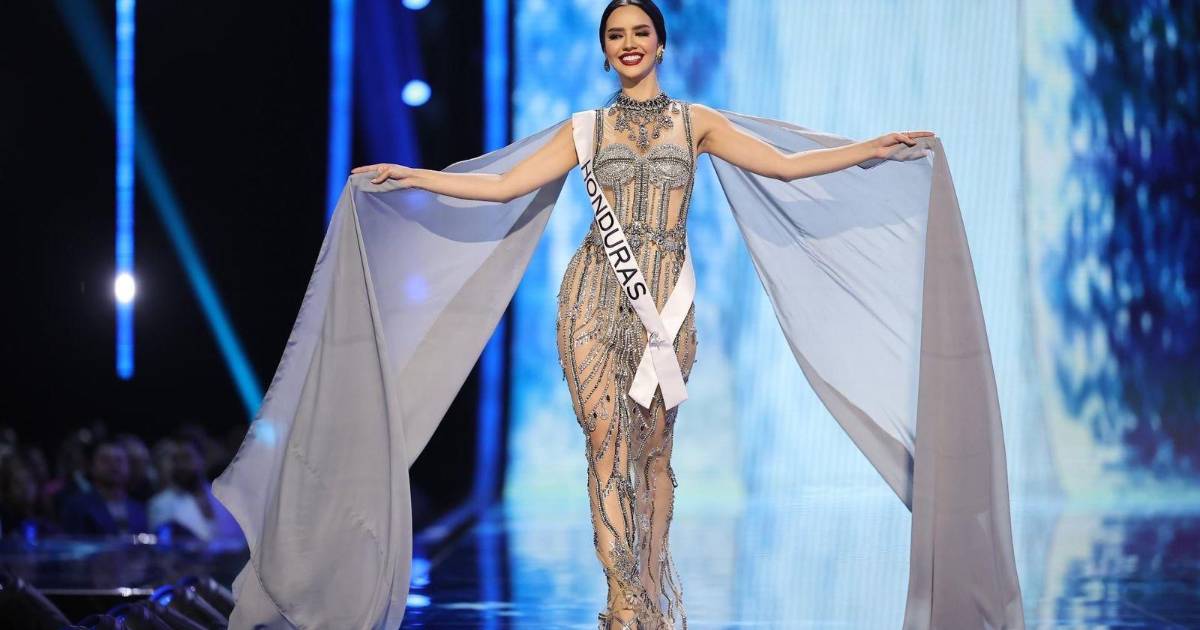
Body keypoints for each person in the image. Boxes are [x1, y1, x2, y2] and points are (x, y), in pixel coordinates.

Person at [214, 0, 1024, 628]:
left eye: (640, 31)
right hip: (594, 302)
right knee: (605, 451)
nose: (629, 43)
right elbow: (503, 186)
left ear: (660, 44)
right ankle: (624, 602)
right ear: (604, 51)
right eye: (615, 35)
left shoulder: (697, 122)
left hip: (666, 307)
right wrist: (414, 175)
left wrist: (873, 148)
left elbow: (783, 167)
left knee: (655, 457)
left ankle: (652, 581)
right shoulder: (585, 128)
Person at [59, 440, 149, 536]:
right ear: (91, 466)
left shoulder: (139, 508)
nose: (114, 465)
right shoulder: (77, 507)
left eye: (119, 460)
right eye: (105, 460)